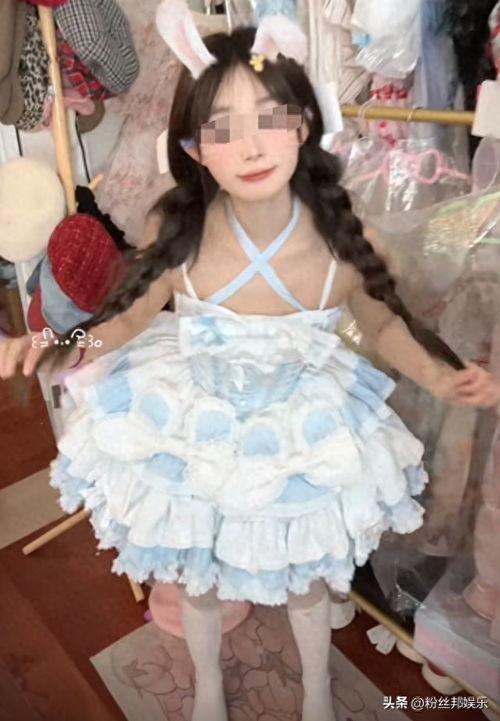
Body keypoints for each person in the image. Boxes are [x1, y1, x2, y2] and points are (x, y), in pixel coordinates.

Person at [1, 5, 499, 720]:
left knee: (307, 577)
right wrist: (58, 345)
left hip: (299, 429)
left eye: (269, 118)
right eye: (222, 128)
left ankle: (317, 688)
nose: (251, 146)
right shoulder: (179, 231)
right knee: (197, 571)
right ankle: (207, 683)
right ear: (195, 149)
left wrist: (446, 378)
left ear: (302, 124)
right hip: (195, 426)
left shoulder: (342, 239)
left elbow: (386, 326)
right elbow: (125, 323)